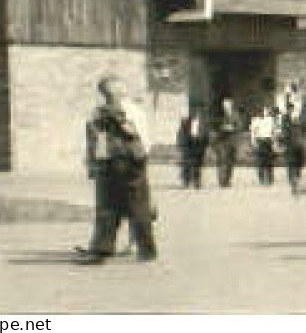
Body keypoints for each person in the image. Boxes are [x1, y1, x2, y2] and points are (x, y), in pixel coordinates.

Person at [79, 75, 157, 263]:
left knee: (109, 206)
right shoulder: (133, 111)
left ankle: (102, 250)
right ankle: (146, 250)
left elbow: (99, 141)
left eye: (106, 91)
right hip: (129, 161)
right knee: (136, 206)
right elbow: (145, 140)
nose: (105, 95)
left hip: (117, 161)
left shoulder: (109, 111)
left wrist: (94, 162)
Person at [212, 98, 243, 188]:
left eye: (229, 105)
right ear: (223, 106)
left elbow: (240, 126)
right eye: (226, 105)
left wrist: (233, 128)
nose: (227, 107)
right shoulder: (219, 114)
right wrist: (222, 128)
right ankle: (222, 181)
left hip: (232, 141)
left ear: (232, 105)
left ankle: (228, 180)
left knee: (230, 162)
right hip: (221, 141)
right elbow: (214, 126)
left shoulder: (236, 115)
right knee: (222, 161)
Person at [176, 106, 210, 189]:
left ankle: (197, 181)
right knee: (186, 164)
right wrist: (181, 145)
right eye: (196, 113)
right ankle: (186, 181)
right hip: (188, 145)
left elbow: (206, 134)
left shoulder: (204, 124)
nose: (197, 115)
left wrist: (205, 144)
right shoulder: (185, 122)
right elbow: (181, 134)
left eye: (199, 114)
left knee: (198, 165)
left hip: (199, 145)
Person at [250, 106, 278, 184]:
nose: (264, 113)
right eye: (262, 111)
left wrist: (274, 143)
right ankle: (261, 179)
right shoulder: (255, 120)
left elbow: (274, 132)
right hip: (260, 141)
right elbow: (253, 132)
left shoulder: (271, 120)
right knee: (260, 162)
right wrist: (254, 142)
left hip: (268, 141)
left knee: (269, 161)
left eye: (265, 111)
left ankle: (269, 179)